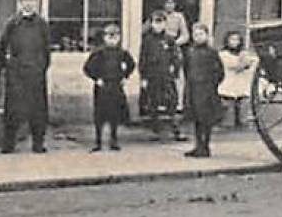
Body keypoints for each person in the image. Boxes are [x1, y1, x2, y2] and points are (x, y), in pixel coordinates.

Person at [0, 0, 51, 153]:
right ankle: (9, 144)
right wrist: (7, 65)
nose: (29, 4)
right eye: (25, 0)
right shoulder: (12, 23)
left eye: (32, 1)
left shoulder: (42, 24)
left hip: (36, 72)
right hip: (16, 73)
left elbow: (47, 49)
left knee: (38, 109)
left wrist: (41, 67)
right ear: (20, 3)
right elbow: (2, 46)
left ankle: (38, 143)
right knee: (13, 109)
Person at [83, 23, 135, 151]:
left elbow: (131, 64)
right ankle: (98, 142)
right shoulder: (98, 52)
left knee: (114, 114)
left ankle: (114, 140)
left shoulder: (122, 53)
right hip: (102, 87)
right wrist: (96, 79)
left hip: (116, 85)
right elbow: (87, 68)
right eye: (109, 36)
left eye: (115, 36)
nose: (112, 39)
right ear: (104, 38)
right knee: (99, 115)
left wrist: (125, 77)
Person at [138, 11, 182, 140]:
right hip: (152, 75)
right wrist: (143, 77)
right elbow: (143, 59)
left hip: (166, 75)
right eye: (155, 22)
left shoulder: (169, 39)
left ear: (165, 23)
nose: (158, 25)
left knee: (171, 100)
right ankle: (155, 130)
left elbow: (176, 57)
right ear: (151, 24)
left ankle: (175, 128)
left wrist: (175, 71)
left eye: (161, 22)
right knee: (153, 101)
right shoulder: (147, 40)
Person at [182, 22, 224, 158]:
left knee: (205, 119)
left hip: (207, 90)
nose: (198, 37)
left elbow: (219, 72)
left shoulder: (212, 52)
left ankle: (205, 146)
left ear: (207, 35)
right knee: (196, 118)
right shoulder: (190, 51)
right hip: (193, 88)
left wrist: (211, 84)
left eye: (201, 34)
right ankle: (198, 145)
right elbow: (186, 68)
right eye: (195, 34)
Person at [217, 30, 257, 127]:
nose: (234, 42)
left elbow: (252, 63)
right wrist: (244, 60)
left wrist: (246, 60)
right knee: (228, 118)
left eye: (237, 40)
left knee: (243, 117)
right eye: (232, 39)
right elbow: (236, 66)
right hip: (228, 86)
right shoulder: (223, 54)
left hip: (241, 86)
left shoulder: (244, 53)